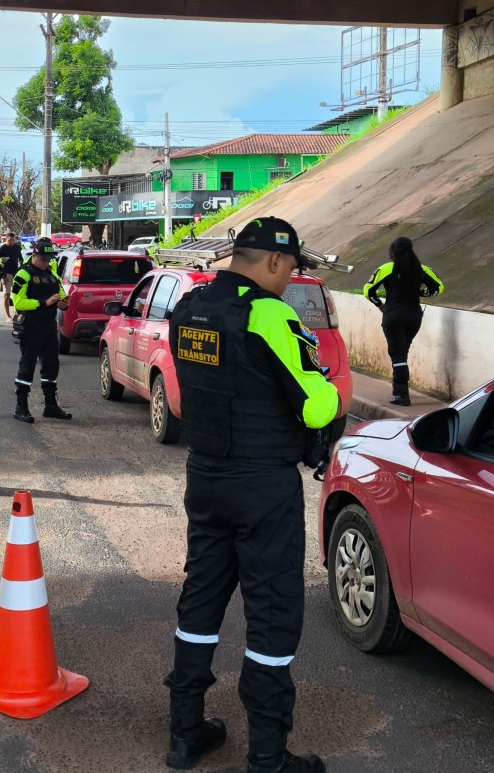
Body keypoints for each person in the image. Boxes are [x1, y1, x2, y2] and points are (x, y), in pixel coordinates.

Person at [163, 216, 346, 773]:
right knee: (271, 613)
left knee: (201, 599)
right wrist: (331, 399)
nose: (291, 278)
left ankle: (185, 733)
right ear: (273, 260)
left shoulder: (188, 308)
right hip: (263, 485)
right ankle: (268, 756)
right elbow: (317, 406)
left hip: (206, 476)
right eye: (291, 267)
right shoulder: (269, 313)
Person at [362, 236, 443, 406]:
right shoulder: (421, 269)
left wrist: (379, 305)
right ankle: (397, 389)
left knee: (398, 354)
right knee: (402, 351)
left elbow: (368, 290)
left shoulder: (386, 269)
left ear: (393, 252)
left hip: (393, 316)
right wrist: (422, 294)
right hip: (414, 316)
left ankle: (402, 395)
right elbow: (438, 288)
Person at [9, 237, 72, 423]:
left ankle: (50, 405)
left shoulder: (52, 273)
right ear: (34, 255)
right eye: (43, 259)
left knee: (52, 365)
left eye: (49, 259)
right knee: (28, 364)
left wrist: (63, 303)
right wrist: (44, 302)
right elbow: (18, 303)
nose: (46, 262)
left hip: (49, 326)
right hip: (31, 325)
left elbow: (61, 295)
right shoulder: (24, 274)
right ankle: (21, 407)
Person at [0, 232, 24, 318]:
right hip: (6, 274)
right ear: (6, 239)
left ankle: (18, 313)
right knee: (7, 295)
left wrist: (22, 269)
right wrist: (2, 275)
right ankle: (8, 316)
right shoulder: (2, 249)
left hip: (16, 273)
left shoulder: (17, 247)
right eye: (10, 240)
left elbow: (21, 259)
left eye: (13, 240)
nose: (12, 242)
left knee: (18, 294)